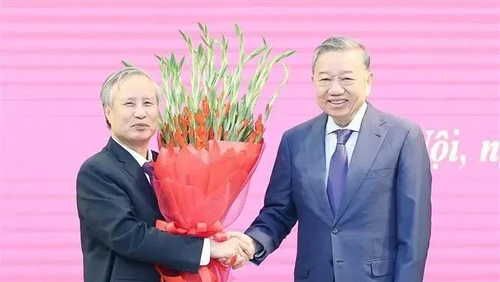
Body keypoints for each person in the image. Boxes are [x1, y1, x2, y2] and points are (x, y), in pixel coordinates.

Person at [231, 36, 432, 281]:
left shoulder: (403, 137)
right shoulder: (295, 140)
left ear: (368, 81)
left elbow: (414, 232)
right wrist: (252, 243)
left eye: (346, 79)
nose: (335, 90)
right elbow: (279, 212)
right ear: (313, 81)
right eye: (325, 79)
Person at [76, 67, 253, 282]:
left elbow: (186, 226)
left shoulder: (170, 164)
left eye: (148, 103)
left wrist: (219, 238)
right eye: (129, 104)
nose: (140, 113)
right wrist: (208, 248)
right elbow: (130, 236)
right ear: (108, 111)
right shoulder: (97, 171)